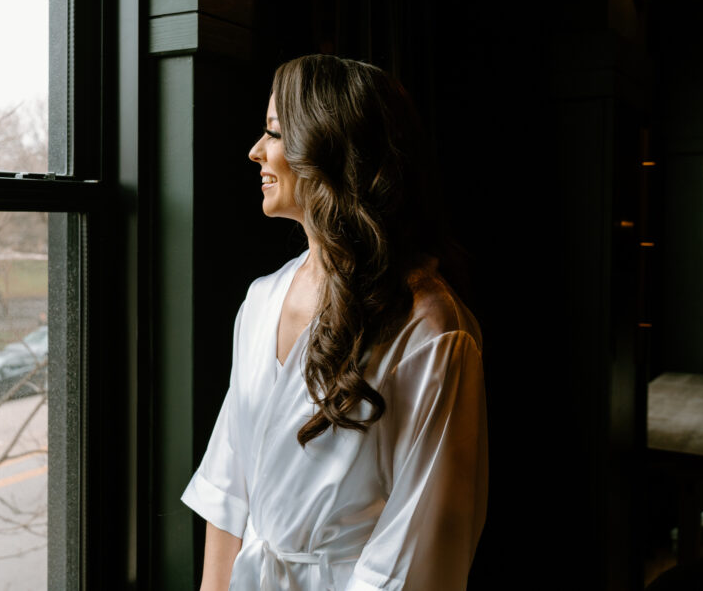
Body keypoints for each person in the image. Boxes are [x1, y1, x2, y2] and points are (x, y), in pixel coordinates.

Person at [181, 55, 487, 591]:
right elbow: (227, 492)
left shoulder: (430, 331)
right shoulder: (262, 300)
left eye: (274, 133)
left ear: (326, 151)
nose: (255, 151)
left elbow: (419, 549)